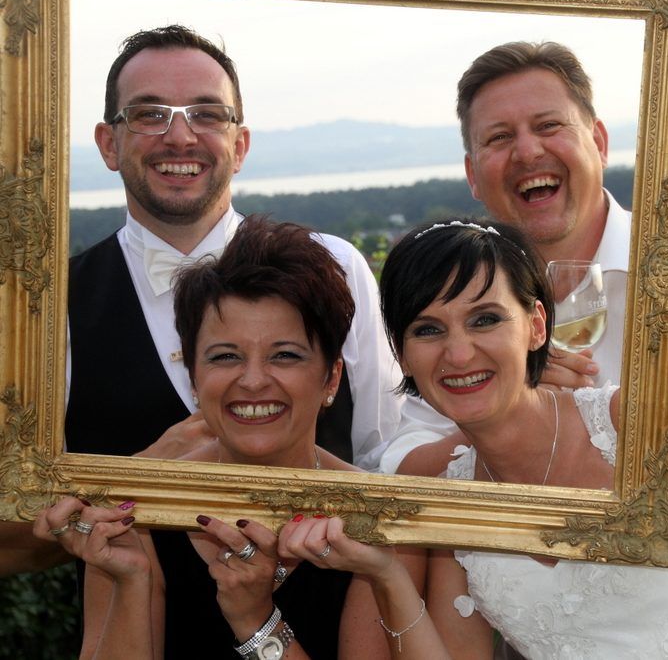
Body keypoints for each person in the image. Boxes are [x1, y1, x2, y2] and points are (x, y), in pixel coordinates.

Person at [381, 41, 668, 658]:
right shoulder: (454, 313)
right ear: (471, 171)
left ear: (597, 140)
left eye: (548, 126)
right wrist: (513, 412)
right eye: (498, 138)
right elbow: (404, 459)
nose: (527, 152)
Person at [283, 217, 668, 659]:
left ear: (534, 326)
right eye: (427, 330)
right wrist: (389, 578)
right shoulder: (445, 489)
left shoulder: (637, 424)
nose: (458, 352)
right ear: (402, 354)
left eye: (485, 318)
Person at [1, 24, 403, 576]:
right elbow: (11, 534)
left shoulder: (338, 267)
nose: (180, 137)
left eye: (206, 114)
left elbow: (385, 468)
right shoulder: (41, 308)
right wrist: (134, 481)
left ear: (239, 145)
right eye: (149, 114)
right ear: (108, 144)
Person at [33, 216, 414, 659]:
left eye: (285, 355)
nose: (252, 381)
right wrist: (133, 582)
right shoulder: (137, 510)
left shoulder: (378, 520)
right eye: (226, 356)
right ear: (194, 378)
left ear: (331, 378)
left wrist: (256, 620)